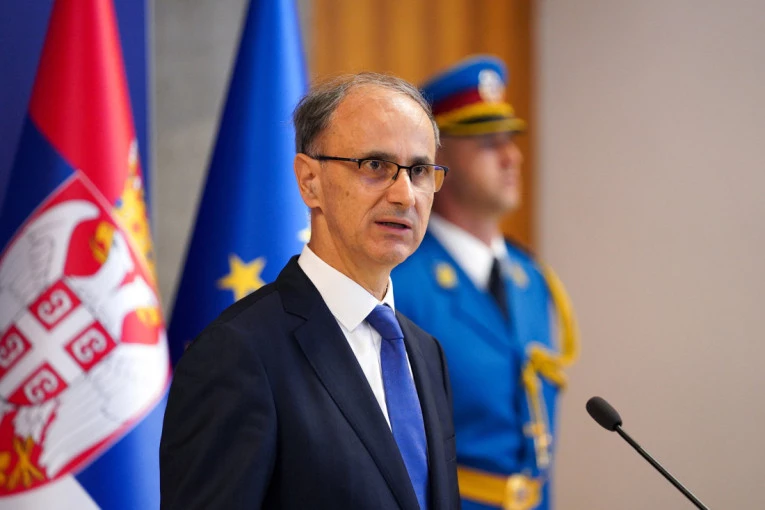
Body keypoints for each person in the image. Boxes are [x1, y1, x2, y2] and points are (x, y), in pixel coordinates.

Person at [159, 73, 460, 510]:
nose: (404, 195)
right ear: (309, 181)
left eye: (419, 171)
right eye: (375, 166)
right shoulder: (237, 354)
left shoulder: (426, 353)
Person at [391, 55, 579, 510]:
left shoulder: (531, 279)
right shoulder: (401, 283)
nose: (512, 156)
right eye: (489, 143)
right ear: (438, 158)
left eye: (510, 140)